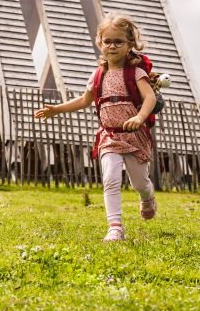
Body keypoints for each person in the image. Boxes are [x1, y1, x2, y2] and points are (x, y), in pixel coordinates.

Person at [34, 14, 157, 242]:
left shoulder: (136, 73)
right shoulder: (98, 74)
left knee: (139, 182)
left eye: (118, 41)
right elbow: (84, 100)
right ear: (99, 42)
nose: (112, 46)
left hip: (134, 136)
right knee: (110, 178)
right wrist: (57, 109)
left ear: (130, 44)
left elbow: (149, 98)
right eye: (107, 41)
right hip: (109, 136)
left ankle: (147, 198)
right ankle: (115, 227)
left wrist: (140, 117)